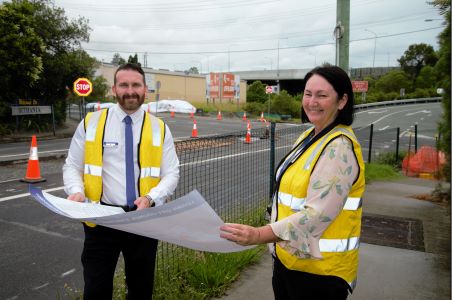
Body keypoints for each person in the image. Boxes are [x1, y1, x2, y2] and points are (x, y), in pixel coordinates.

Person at [220, 66, 365, 299]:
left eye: (322, 95)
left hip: (320, 275)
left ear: (342, 101)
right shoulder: (310, 136)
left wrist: (258, 235)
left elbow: (315, 216)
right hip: (290, 263)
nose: (312, 102)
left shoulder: (338, 148)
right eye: (308, 94)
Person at [63, 63, 180, 299]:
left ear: (145, 89)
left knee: (140, 289)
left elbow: (172, 173)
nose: (130, 90)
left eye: (136, 85)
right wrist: (76, 191)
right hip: (101, 219)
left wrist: (151, 198)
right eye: (124, 85)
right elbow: (72, 166)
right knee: (96, 289)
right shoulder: (90, 123)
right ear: (114, 89)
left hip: (143, 218)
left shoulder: (160, 128)